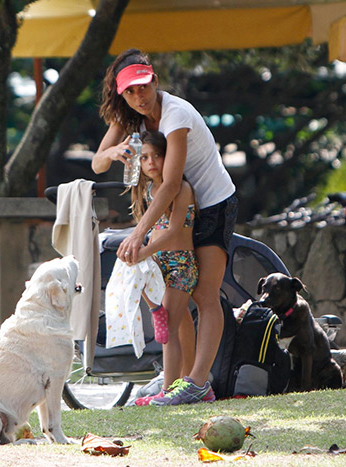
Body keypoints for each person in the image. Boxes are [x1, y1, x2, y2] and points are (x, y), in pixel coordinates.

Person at [92, 48, 237, 405]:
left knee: (205, 295)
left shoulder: (176, 115)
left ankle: (199, 383)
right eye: (130, 91)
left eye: (143, 87)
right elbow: (96, 164)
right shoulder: (129, 117)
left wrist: (138, 233)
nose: (138, 97)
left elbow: (171, 183)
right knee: (173, 301)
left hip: (212, 205)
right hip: (174, 211)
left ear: (154, 81)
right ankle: (177, 380)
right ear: (121, 93)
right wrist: (111, 154)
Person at [125, 131, 201, 406]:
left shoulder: (180, 188)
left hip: (180, 264)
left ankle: (169, 389)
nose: (151, 162)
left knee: (169, 323)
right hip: (160, 264)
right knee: (180, 324)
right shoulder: (149, 191)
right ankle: (189, 381)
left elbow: (174, 231)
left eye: (157, 155)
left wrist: (143, 250)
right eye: (144, 157)